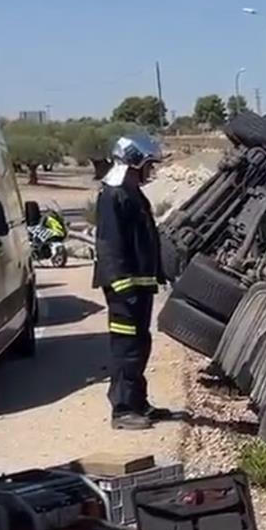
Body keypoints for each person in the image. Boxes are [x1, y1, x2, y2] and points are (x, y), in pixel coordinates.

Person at [93, 135, 170, 430]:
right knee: (126, 348)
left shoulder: (131, 192)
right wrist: (122, 287)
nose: (150, 171)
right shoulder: (113, 195)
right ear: (134, 163)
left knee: (140, 344)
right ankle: (123, 410)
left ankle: (138, 402)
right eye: (148, 165)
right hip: (125, 291)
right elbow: (109, 245)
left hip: (139, 288)